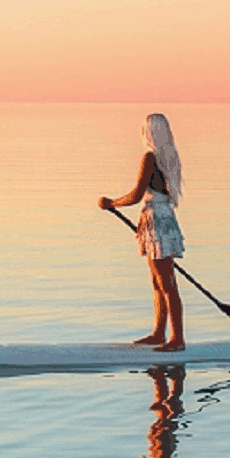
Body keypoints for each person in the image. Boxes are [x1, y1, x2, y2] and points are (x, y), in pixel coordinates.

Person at [99, 113, 186, 351]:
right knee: (158, 282)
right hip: (161, 218)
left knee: (166, 282)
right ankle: (159, 334)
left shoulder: (150, 157)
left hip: (156, 220)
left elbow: (137, 195)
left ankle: (177, 339)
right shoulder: (171, 156)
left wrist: (112, 202)